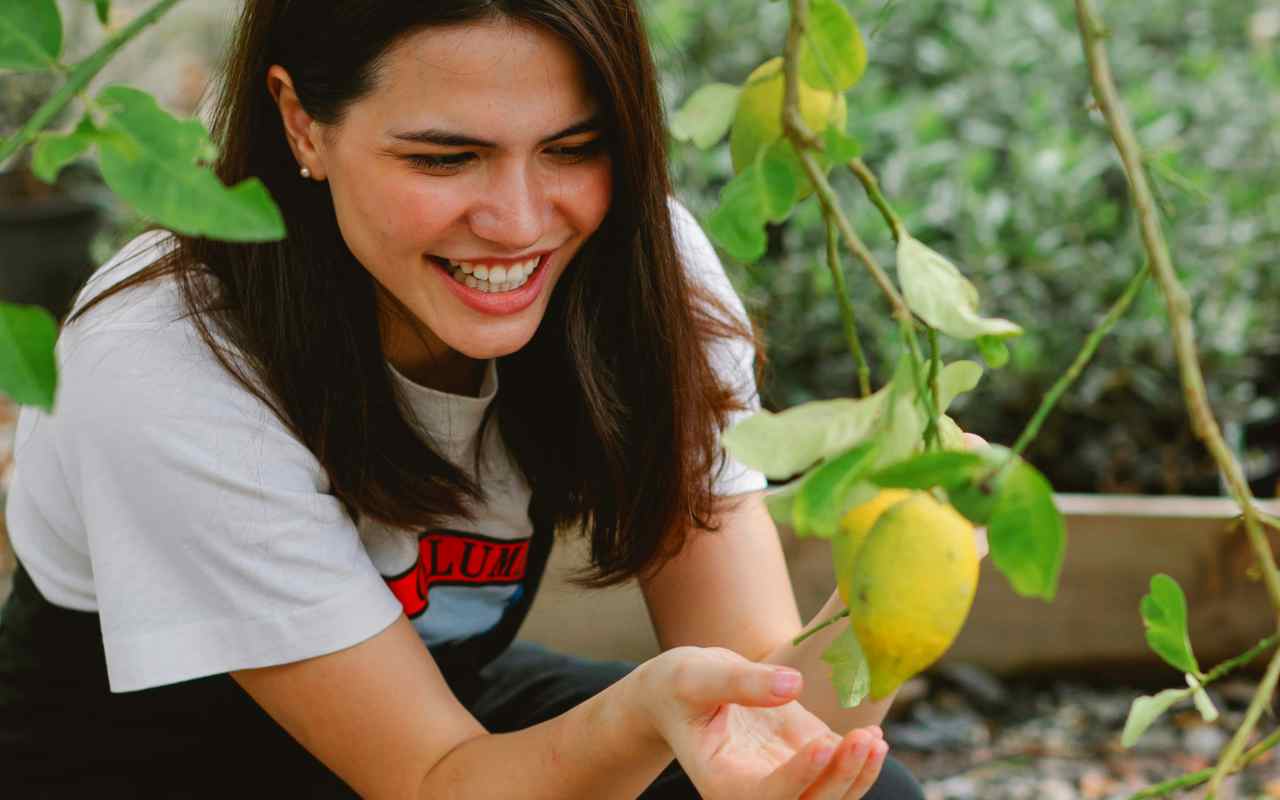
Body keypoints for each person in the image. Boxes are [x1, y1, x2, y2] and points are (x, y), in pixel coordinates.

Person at [0, 2, 930, 797]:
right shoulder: (167, 354)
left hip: (446, 725)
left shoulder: (638, 273)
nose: (521, 223)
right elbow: (433, 781)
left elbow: (770, 722)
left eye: (572, 147)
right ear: (301, 123)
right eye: (447, 159)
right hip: (164, 770)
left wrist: (888, 606)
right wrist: (642, 716)